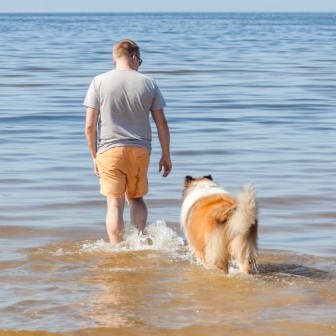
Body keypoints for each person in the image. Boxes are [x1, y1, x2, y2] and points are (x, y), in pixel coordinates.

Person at [84, 39, 172, 244]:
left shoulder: (98, 82)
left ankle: (117, 250)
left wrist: (94, 156)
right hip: (140, 150)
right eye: (140, 61)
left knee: (114, 203)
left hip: (109, 150)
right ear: (134, 58)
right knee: (136, 198)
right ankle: (140, 242)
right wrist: (166, 155)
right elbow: (162, 123)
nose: (139, 65)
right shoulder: (149, 82)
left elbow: (89, 126)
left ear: (115, 59)